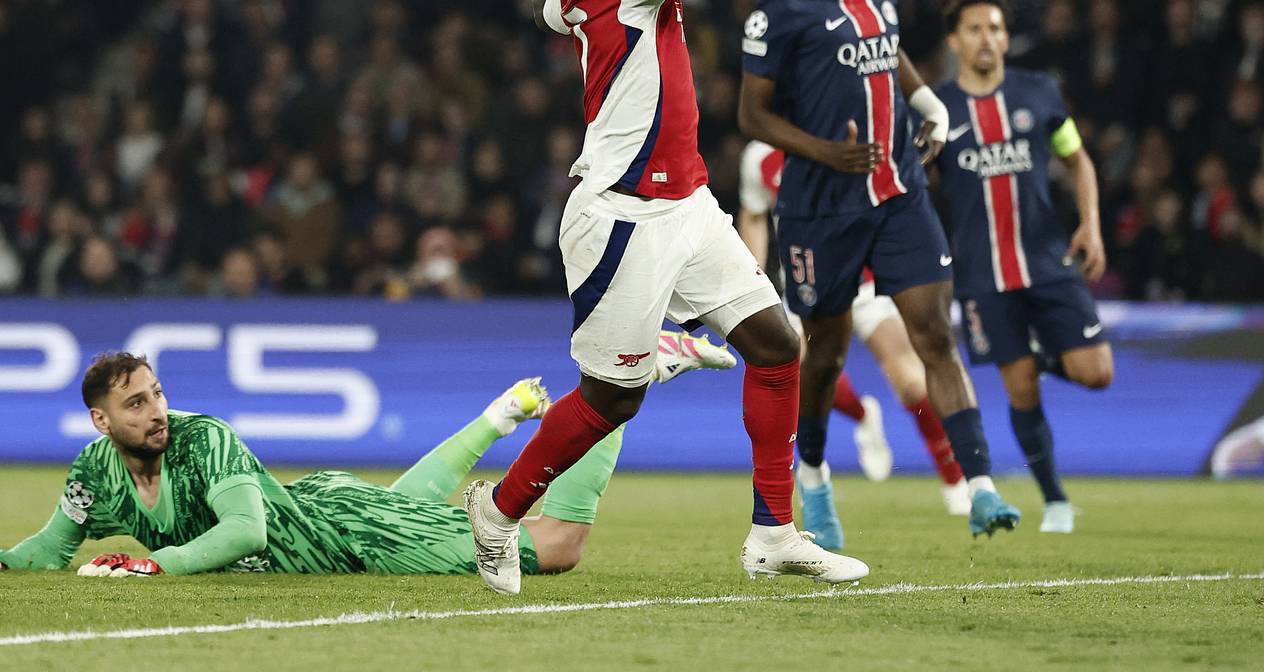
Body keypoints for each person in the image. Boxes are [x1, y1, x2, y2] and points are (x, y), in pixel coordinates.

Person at [464, 0, 870, 596]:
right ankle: (499, 510)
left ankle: (774, 534)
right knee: (611, 400)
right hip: (622, 216)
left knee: (776, 346)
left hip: (685, 205)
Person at [738, 0, 1020, 547]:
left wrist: (930, 105)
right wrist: (825, 152)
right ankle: (813, 476)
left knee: (934, 337)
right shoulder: (779, 9)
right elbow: (751, 114)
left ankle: (979, 485)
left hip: (899, 193)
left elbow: (889, 51)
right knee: (824, 357)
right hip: (820, 208)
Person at [0, 335, 735, 577]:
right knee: (404, 507)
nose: (157, 410)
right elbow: (52, 547)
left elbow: (247, 532)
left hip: (346, 532)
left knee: (561, 546)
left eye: (157, 394)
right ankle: (499, 417)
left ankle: (629, 372)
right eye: (136, 405)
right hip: (326, 509)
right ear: (101, 421)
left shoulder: (203, 438)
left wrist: (158, 564)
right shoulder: (94, 471)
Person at [934, 0, 1114, 534]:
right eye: (974, 29)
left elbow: (1078, 159)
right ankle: (1055, 500)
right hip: (982, 276)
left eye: (995, 28)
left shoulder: (1039, 92)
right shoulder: (937, 111)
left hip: (1048, 262)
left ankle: (1036, 352)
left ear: (1007, 38)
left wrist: (1091, 224)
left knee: (1097, 373)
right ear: (955, 42)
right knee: (1021, 391)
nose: (986, 38)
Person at [738, 139, 970, 517]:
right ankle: (861, 417)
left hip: (865, 283)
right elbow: (754, 215)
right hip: (805, 289)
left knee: (912, 382)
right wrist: (755, 278)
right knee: (801, 374)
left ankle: (955, 479)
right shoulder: (760, 154)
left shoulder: (851, 133)